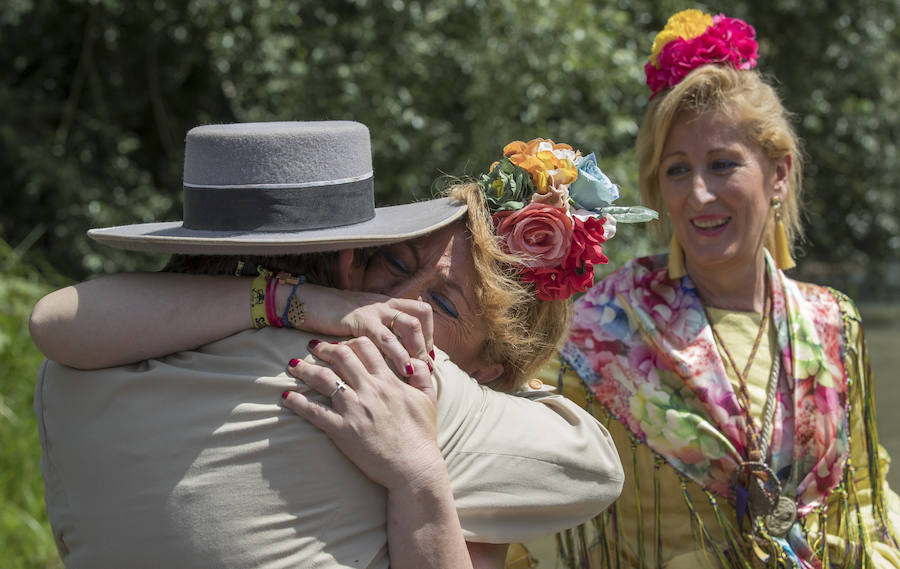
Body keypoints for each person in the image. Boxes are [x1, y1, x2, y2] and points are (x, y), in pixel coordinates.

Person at [30, 121, 626, 568]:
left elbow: (54, 320)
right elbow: (594, 465)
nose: (400, 302)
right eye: (391, 260)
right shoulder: (384, 379)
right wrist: (422, 471)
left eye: (443, 304)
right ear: (349, 254)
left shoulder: (78, 369)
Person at [519, 10, 900, 569]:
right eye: (677, 170)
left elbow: (866, 498)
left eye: (723, 164)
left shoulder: (834, 325)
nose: (698, 195)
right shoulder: (596, 332)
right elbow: (512, 477)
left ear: (779, 174)